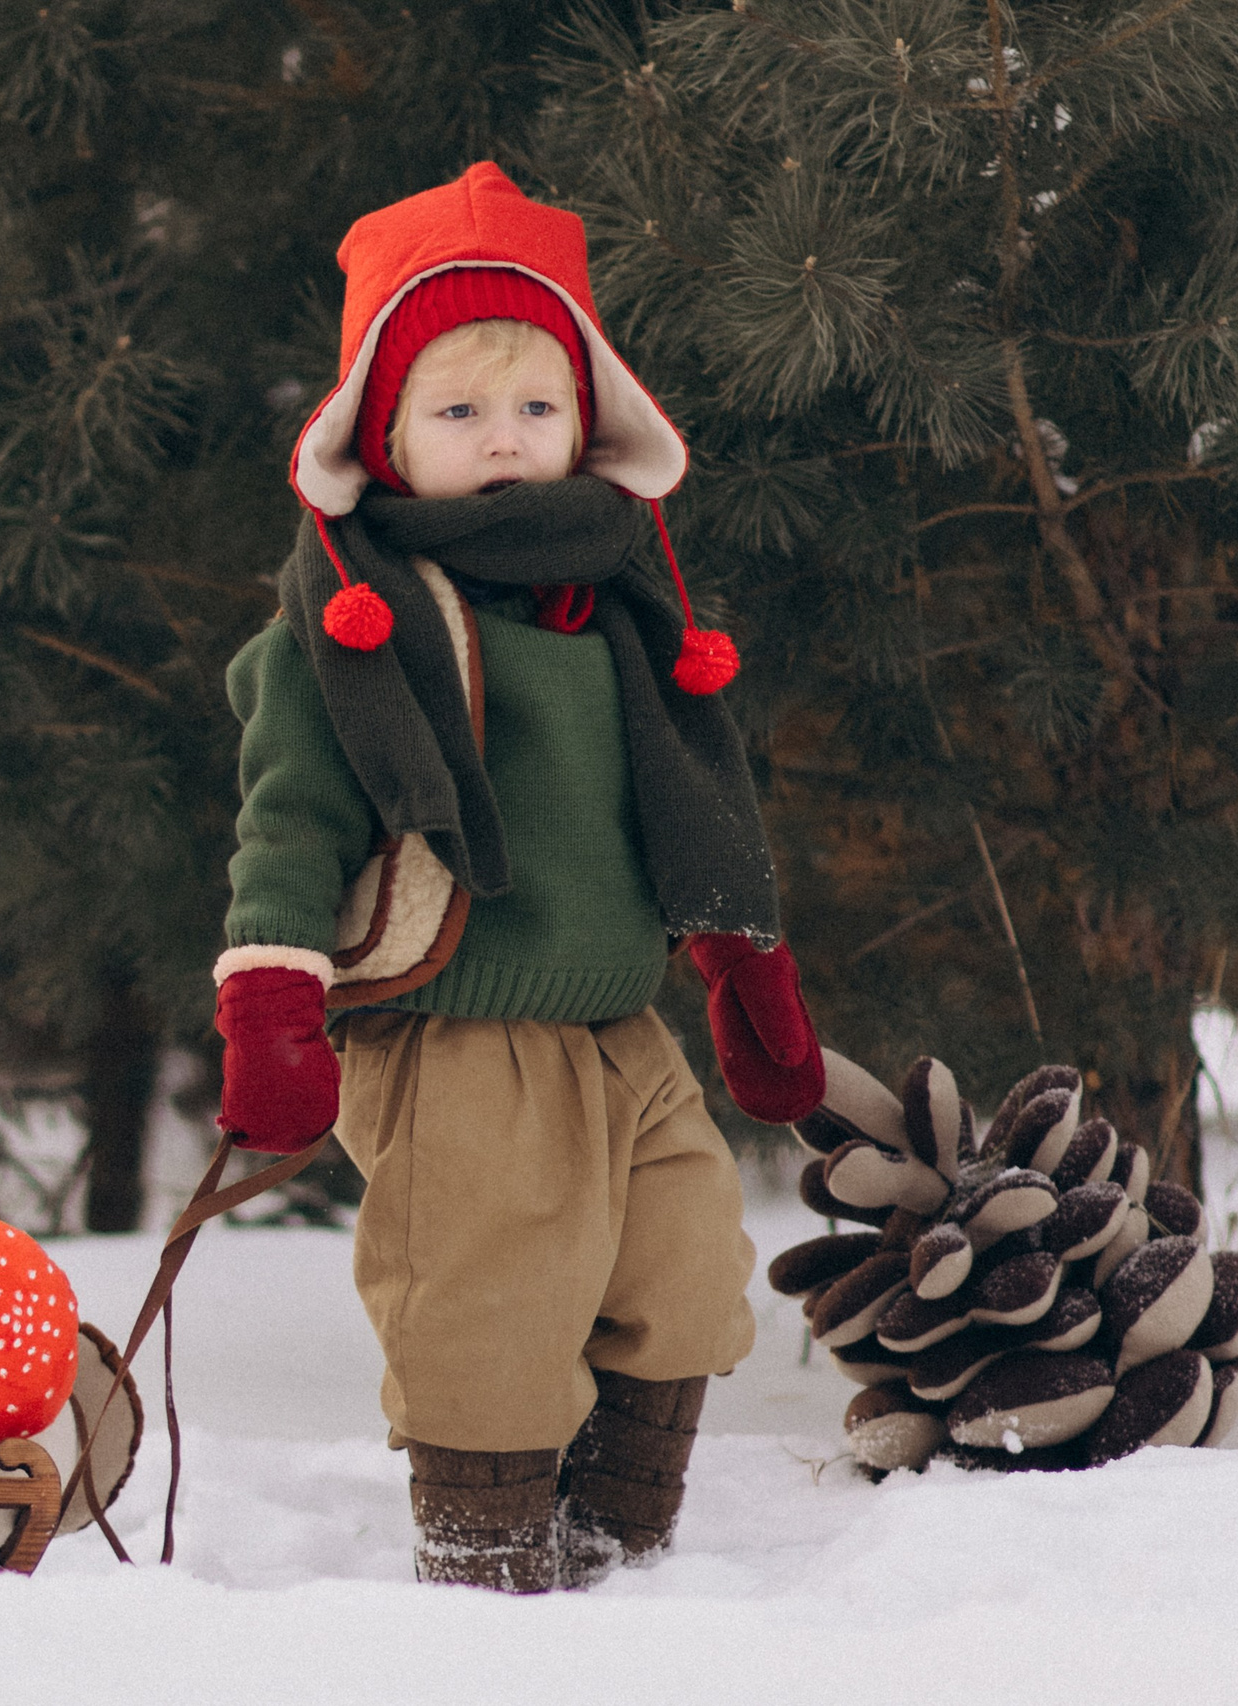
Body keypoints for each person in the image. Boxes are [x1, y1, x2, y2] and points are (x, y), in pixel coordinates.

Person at [211, 163, 825, 1592]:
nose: (504, 438)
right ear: (383, 439)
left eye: (537, 407)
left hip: (618, 1023)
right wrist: (272, 1004)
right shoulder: (350, 624)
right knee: (486, 1298)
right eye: (459, 411)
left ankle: (620, 1543)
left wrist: (744, 963)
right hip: (459, 1031)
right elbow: (290, 824)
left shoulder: (620, 604)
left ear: (587, 422)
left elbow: (692, 798)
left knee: (685, 1260)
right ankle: (489, 1566)